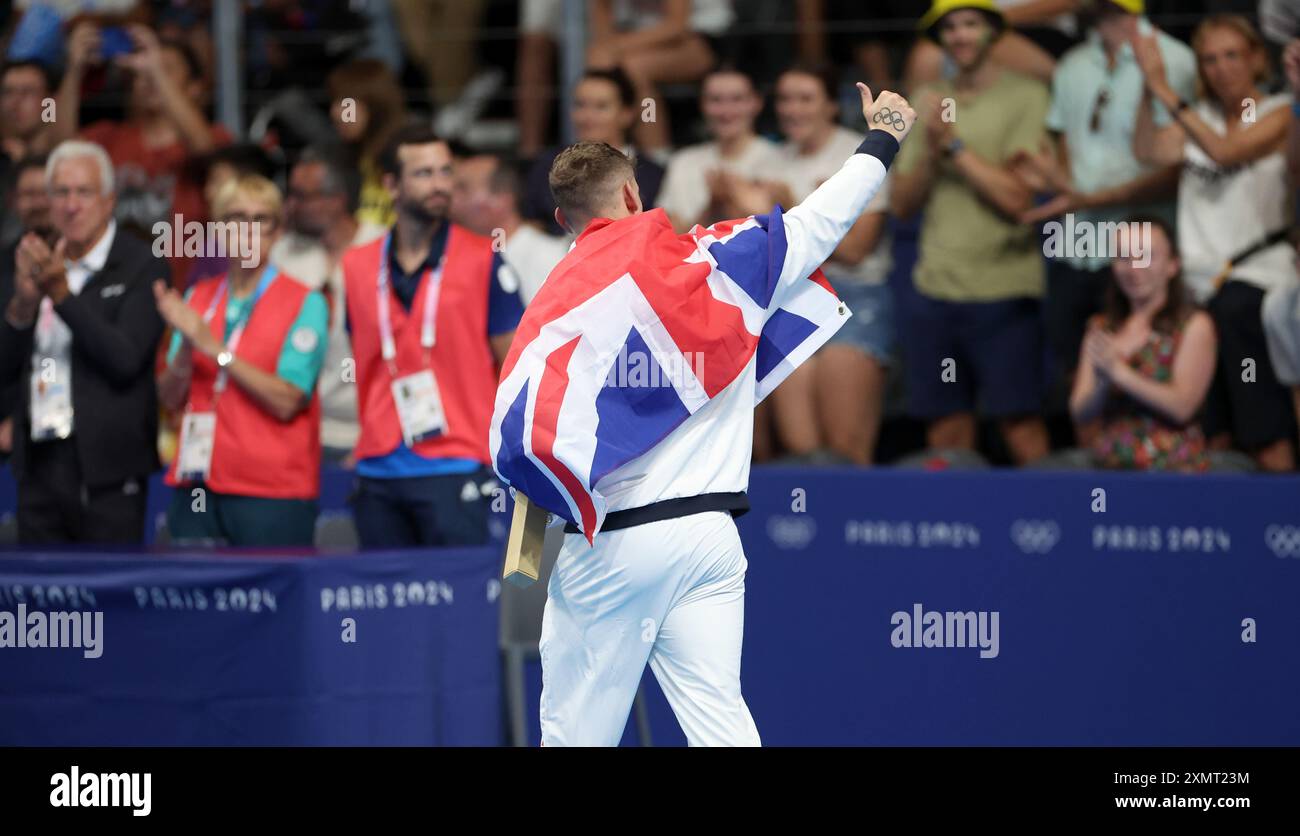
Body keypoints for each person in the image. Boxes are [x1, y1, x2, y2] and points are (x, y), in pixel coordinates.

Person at [490, 85, 915, 746]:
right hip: (710, 540)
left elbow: (525, 438)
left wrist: (527, 547)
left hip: (614, 547)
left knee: (575, 735)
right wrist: (885, 134)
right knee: (722, 728)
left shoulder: (556, 310)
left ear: (560, 216)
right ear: (634, 196)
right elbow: (823, 217)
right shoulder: (716, 262)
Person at [342, 127, 523, 548]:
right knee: (385, 607)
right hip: (377, 470)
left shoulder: (484, 258)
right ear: (391, 185)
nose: (440, 184)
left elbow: (516, 365)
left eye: (446, 172)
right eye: (424, 173)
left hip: (456, 463)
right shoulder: (356, 267)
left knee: (458, 608)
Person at [1133, 14, 1297, 471]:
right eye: (1209, 59)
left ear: (1256, 59)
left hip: (1256, 284)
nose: (1222, 69)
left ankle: (1282, 518)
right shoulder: (1198, 119)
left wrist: (1166, 89)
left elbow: (1227, 151)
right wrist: (1147, 89)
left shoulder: (1280, 111)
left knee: (1263, 426)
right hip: (1197, 291)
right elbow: (1146, 150)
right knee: (1214, 431)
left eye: (1232, 56)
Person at [891, 0, 1052, 465]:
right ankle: (952, 533)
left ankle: (1048, 525)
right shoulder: (925, 98)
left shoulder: (1028, 96)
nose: (960, 36)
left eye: (970, 24)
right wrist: (932, 151)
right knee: (946, 429)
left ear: (993, 32)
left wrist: (956, 147)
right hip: (935, 286)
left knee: (1020, 424)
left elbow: (1019, 200)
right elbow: (903, 204)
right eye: (950, 28)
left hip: (1005, 286)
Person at [1017, 0, 1196, 416]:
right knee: (1077, 380)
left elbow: (1177, 167)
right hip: (1076, 246)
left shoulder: (1175, 60)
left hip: (1142, 256)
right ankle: (1089, 476)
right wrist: (1052, 181)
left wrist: (1090, 198)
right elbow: (1064, 156)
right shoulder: (1072, 65)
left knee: (1149, 381)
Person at [0, 140, 166, 544]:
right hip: (38, 461)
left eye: (83, 192)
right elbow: (4, 367)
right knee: (45, 600)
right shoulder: (20, 260)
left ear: (109, 200)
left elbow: (125, 359)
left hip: (109, 469)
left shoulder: (142, 264)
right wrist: (22, 308)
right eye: (60, 193)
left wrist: (61, 296)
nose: (71, 205)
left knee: (109, 599)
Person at [155, 175, 329, 546]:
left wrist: (213, 347)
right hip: (197, 480)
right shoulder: (199, 296)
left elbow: (287, 400)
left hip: (270, 490)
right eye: (235, 218)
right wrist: (187, 347)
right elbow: (169, 397)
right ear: (218, 229)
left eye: (260, 220)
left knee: (272, 603)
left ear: (278, 232)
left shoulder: (305, 301)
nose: (247, 231)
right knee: (195, 600)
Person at [740, 63, 895, 465]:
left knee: (846, 450)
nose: (793, 109)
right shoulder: (768, 161)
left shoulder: (860, 153)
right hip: (791, 296)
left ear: (830, 105)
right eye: (785, 99)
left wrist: (792, 208)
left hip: (855, 295)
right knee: (804, 450)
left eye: (806, 98)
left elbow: (858, 249)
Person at [1070, 218, 1216, 470]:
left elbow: (1182, 406)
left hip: (1173, 467)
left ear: (1173, 264)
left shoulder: (1194, 324)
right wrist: (1102, 384)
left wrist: (1119, 373)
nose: (1134, 268)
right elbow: (1080, 412)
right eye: (1124, 257)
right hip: (1108, 464)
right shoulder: (1102, 326)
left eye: (1146, 256)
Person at [273, 146, 385, 464]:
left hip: (371, 428)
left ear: (336, 199)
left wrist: (376, 434)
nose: (291, 205)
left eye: (302, 195)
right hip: (302, 427)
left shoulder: (383, 246)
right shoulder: (282, 254)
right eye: (290, 194)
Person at [524, 68, 666, 236]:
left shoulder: (653, 174)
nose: (587, 117)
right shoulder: (547, 165)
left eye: (601, 106)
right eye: (580, 105)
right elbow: (530, 226)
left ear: (627, 114)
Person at [585, 0, 735, 156]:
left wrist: (613, 47)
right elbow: (602, 18)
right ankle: (602, 151)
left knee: (636, 68)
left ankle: (657, 155)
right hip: (639, 39)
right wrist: (605, 51)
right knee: (599, 62)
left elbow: (676, 25)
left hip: (701, 37)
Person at [655, 65, 781, 233]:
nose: (726, 111)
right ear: (702, 104)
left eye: (737, 99)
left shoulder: (781, 158)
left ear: (757, 102)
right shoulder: (683, 161)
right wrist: (714, 206)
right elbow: (668, 236)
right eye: (715, 100)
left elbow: (782, 235)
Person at [451, 151, 568, 304]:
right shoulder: (456, 257)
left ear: (502, 199)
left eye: (463, 188)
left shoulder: (548, 259)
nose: (451, 197)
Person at [0, 153, 51, 459]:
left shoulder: (87, 266)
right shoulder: (1, 265)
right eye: (28, 195)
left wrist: (23, 418)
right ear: (13, 201)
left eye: (47, 192)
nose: (39, 203)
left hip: (72, 428)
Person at [326, 59, 407, 230]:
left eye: (346, 103)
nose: (335, 112)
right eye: (334, 101)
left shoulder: (408, 156)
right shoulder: (350, 160)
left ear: (375, 104)